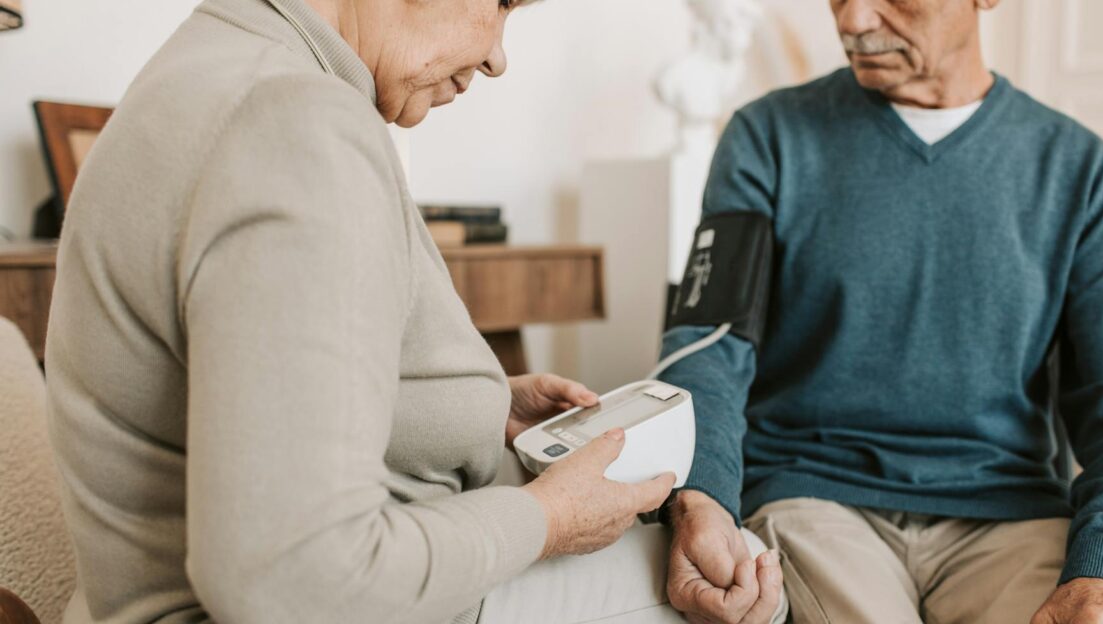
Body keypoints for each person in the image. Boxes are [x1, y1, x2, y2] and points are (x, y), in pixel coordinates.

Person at [43, 0, 752, 622]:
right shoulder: (297, 124)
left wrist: (468, 408)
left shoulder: (214, 64)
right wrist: (547, 519)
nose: (499, 56)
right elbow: (290, 580)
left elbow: (251, 377)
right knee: (740, 577)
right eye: (502, 2)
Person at [658, 1, 1103, 623]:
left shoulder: (1081, 171)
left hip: (1008, 513)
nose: (853, 20)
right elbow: (708, 344)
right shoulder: (767, 137)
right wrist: (702, 497)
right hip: (817, 498)